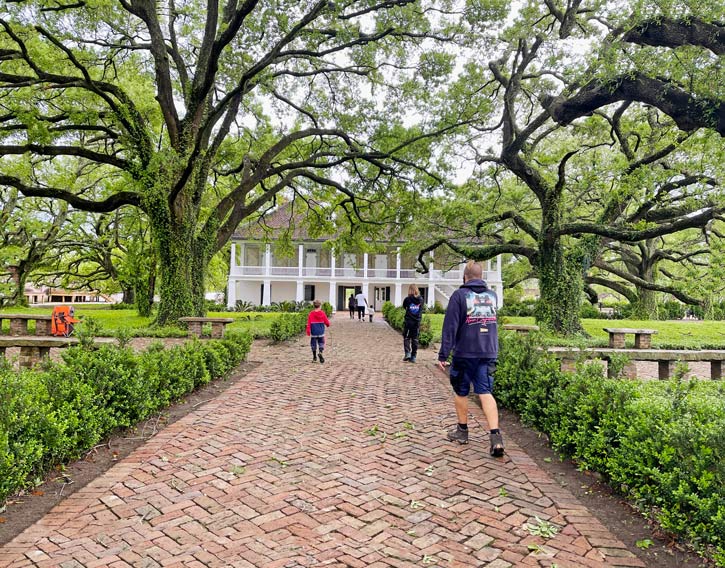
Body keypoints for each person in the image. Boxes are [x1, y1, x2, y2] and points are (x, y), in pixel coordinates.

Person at [437, 261, 504, 457]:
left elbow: (450, 326)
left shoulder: (459, 296)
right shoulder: (492, 296)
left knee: (461, 391)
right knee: (485, 391)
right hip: (488, 351)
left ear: (465, 277)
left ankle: (462, 431)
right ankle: (496, 437)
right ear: (481, 276)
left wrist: (443, 354)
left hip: (465, 352)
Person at [402, 284, 423, 363]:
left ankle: (407, 353)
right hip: (417, 321)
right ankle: (413, 356)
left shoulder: (407, 299)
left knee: (406, 338)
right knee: (415, 339)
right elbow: (421, 309)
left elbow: (404, 307)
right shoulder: (421, 299)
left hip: (408, 322)